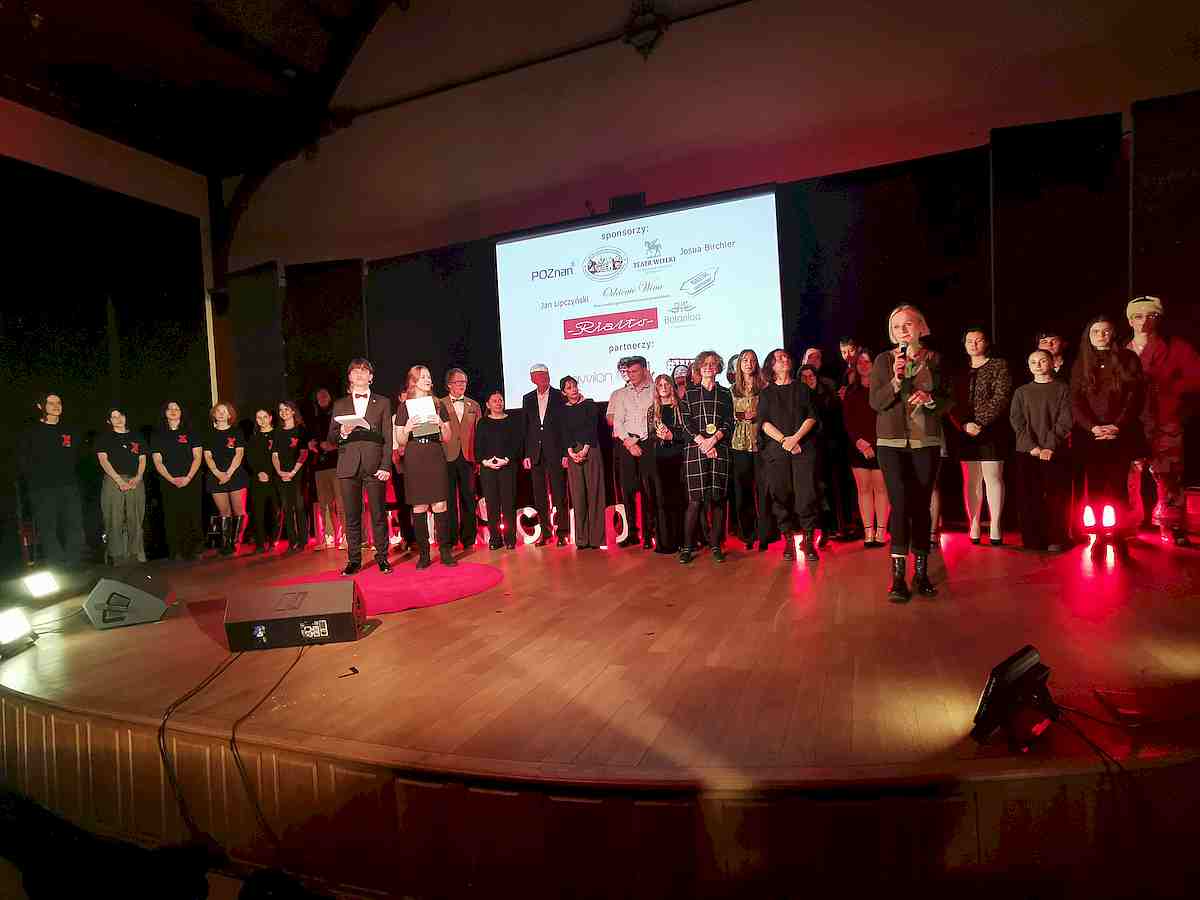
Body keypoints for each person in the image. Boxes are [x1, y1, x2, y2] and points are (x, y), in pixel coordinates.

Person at [870, 305, 951, 602]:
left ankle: (921, 573)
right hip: (891, 444)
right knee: (901, 504)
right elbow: (876, 402)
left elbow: (948, 401)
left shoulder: (936, 359)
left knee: (921, 506)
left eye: (908, 324)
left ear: (921, 326)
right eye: (897, 326)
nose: (902, 330)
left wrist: (930, 399)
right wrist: (895, 379)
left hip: (925, 441)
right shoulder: (884, 360)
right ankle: (897, 578)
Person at [1125, 296, 1200, 546]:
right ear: (1130, 320)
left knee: (1169, 476)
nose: (1144, 321)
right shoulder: (1121, 350)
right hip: (1133, 424)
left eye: (1151, 316)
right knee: (1130, 477)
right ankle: (1130, 524)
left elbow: (1196, 377)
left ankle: (1173, 525)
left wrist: (1169, 388)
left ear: (1159, 319)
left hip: (1165, 421)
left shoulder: (1176, 347)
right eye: (1138, 316)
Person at [1070, 315, 1145, 554]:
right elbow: (1076, 400)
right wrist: (1092, 427)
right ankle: (1100, 537)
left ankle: (1120, 536)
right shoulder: (1081, 361)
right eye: (1096, 331)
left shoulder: (1128, 358)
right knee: (1095, 488)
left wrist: (1117, 426)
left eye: (1106, 331)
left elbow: (1135, 397)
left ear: (1113, 334)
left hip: (1119, 435)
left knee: (1118, 488)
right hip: (1091, 437)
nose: (1101, 335)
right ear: (1088, 335)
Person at [949, 327, 1012, 545]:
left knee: (993, 477)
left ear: (986, 343)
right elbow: (951, 402)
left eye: (978, 340)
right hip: (965, 431)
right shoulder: (959, 371)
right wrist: (964, 424)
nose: (974, 344)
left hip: (992, 429)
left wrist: (981, 422)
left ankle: (995, 524)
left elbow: (1001, 397)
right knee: (971, 480)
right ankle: (974, 523)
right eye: (970, 341)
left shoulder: (999, 365)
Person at [331, 358, 393, 575]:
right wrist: (343, 432)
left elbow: (388, 437)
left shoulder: (383, 402)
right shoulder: (340, 404)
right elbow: (331, 437)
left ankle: (382, 557)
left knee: (378, 514)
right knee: (352, 516)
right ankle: (354, 560)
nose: (359, 374)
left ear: (371, 377)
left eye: (364, 371)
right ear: (349, 377)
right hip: (348, 464)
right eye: (355, 371)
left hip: (375, 464)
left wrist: (386, 465)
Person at [759, 350, 821, 562]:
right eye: (779, 358)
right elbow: (764, 423)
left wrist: (795, 439)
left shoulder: (802, 388)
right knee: (780, 493)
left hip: (802, 448)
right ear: (771, 366)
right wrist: (784, 441)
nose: (784, 360)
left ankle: (809, 541)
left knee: (806, 494)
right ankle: (788, 539)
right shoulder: (766, 393)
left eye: (786, 357)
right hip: (778, 450)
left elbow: (812, 417)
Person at [1010, 350, 1073, 551]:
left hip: (1055, 451)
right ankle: (1032, 539)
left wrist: (1049, 446)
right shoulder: (1021, 392)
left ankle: (1056, 538)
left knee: (1056, 497)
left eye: (1042, 361)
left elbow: (1065, 420)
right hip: (1028, 452)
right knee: (1029, 497)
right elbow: (1017, 421)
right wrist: (1032, 447)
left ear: (1052, 363)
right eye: (1033, 362)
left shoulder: (1063, 389)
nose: (1037, 365)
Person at [395, 365, 455, 568]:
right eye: (423, 377)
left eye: (429, 376)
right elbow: (400, 439)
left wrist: (441, 424)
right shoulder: (404, 406)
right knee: (419, 506)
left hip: (434, 453)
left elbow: (448, 437)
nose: (428, 380)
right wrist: (407, 428)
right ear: (413, 381)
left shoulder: (438, 404)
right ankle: (424, 555)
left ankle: (445, 552)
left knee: (440, 504)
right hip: (414, 456)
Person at [678, 351, 734, 563]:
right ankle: (687, 547)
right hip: (696, 450)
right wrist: (703, 442)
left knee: (718, 500)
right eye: (705, 364)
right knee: (695, 501)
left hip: (720, 450)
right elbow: (686, 422)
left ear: (718, 368)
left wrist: (714, 440)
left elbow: (729, 422)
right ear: (698, 368)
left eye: (713, 364)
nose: (709, 367)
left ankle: (716, 545)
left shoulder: (725, 393)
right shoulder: (689, 394)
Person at [17, 393, 85, 568]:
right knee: (48, 528)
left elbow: (78, 458)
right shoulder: (30, 432)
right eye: (51, 403)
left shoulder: (70, 430)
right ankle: (57, 565)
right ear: (41, 407)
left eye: (59, 402)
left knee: (74, 525)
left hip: (69, 486)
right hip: (43, 489)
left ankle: (74, 562)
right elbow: (23, 461)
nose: (56, 406)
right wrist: (34, 482)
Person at [609, 355, 657, 549]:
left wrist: (638, 439)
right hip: (626, 444)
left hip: (647, 444)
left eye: (635, 371)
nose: (631, 375)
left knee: (648, 491)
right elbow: (617, 422)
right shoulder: (621, 394)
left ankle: (648, 534)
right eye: (628, 372)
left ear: (645, 370)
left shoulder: (654, 390)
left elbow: (654, 420)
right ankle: (631, 533)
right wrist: (629, 443)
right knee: (627, 491)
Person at [843, 350, 890, 548]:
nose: (863, 365)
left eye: (867, 362)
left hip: (881, 445)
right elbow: (848, 420)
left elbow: (887, 418)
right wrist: (859, 443)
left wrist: (872, 443)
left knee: (881, 489)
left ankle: (881, 532)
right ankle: (868, 532)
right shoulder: (851, 391)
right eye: (859, 362)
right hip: (858, 447)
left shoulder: (883, 390)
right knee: (863, 489)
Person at [522, 363, 569, 546]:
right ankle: (546, 533)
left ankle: (562, 533)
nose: (544, 378)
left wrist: (565, 452)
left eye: (546, 375)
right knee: (540, 496)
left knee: (559, 494)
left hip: (556, 452)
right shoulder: (527, 398)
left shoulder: (559, 396)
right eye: (540, 375)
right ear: (532, 379)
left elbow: (564, 427)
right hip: (535, 454)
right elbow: (526, 428)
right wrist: (526, 454)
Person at [151, 401, 204, 561]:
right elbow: (157, 461)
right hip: (169, 481)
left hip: (191, 480)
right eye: (170, 409)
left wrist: (188, 477)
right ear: (165, 412)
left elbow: (197, 457)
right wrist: (171, 479)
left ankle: (194, 549)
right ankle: (175, 550)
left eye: (176, 408)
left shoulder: (192, 432)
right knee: (172, 515)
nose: (173, 411)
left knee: (193, 514)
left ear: (182, 412)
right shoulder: (158, 435)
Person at [94, 406, 147, 565]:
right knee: (114, 518)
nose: (119, 419)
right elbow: (103, 460)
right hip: (113, 480)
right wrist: (118, 480)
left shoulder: (136, 436)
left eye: (121, 415)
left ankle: (136, 553)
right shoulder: (104, 438)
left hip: (134, 480)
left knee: (135, 517)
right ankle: (116, 555)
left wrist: (138, 476)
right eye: (114, 417)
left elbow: (142, 458)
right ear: (109, 421)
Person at [560, 376, 606, 549]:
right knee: (578, 495)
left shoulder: (589, 404)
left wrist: (585, 450)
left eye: (574, 386)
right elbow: (564, 433)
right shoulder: (562, 410)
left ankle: (596, 539)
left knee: (595, 493)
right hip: (573, 452)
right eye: (569, 387)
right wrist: (571, 453)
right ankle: (581, 539)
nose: (573, 389)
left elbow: (591, 428)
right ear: (564, 392)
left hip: (590, 449)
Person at [476, 390, 523, 550]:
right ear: (488, 405)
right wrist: (486, 462)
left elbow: (517, 444)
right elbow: (478, 446)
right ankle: (495, 539)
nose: (498, 403)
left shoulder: (512, 421)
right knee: (492, 505)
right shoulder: (482, 423)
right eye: (495, 400)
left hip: (508, 468)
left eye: (500, 400)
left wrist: (507, 459)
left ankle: (510, 539)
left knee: (509, 504)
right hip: (488, 469)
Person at [729, 350, 766, 550]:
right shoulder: (731, 390)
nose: (749, 363)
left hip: (761, 442)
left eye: (752, 360)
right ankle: (748, 534)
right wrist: (740, 415)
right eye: (745, 360)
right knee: (743, 491)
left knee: (763, 489)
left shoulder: (764, 387)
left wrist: (758, 415)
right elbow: (727, 416)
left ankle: (766, 532)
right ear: (739, 364)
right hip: (739, 445)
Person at [441, 368, 482, 550]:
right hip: (446, 457)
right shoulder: (439, 404)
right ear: (449, 385)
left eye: (464, 382)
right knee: (449, 500)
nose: (462, 385)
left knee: (468, 498)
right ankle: (450, 539)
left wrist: (478, 459)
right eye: (458, 382)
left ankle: (469, 539)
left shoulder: (474, 405)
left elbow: (480, 434)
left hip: (468, 457)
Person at [648, 374, 687, 554]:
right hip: (660, 460)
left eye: (666, 384)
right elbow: (650, 435)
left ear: (672, 387)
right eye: (660, 385)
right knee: (662, 502)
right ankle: (665, 542)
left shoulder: (681, 407)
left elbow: (688, 433)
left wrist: (672, 435)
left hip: (679, 458)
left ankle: (682, 541)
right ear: (656, 389)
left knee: (680, 501)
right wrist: (660, 435)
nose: (663, 387)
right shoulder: (652, 410)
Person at [203, 401, 247, 557]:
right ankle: (226, 543)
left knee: (239, 511)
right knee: (224, 511)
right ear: (214, 415)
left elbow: (239, 454)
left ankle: (236, 542)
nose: (221, 413)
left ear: (230, 415)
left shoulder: (237, 432)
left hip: (235, 475)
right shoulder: (208, 434)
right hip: (216, 477)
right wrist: (218, 473)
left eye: (224, 411)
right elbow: (207, 456)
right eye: (218, 411)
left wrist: (228, 473)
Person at [272, 401, 309, 553]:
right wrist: (280, 472)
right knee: (287, 508)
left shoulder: (301, 430)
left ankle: (303, 540)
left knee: (299, 506)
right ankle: (292, 541)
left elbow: (304, 453)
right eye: (281, 410)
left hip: (297, 472)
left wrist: (293, 472)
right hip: (281, 474)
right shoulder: (277, 431)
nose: (283, 412)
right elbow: (274, 455)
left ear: (293, 411)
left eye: (286, 409)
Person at [308, 388, 342, 551]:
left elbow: (347, 438)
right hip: (320, 466)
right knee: (324, 504)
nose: (321, 398)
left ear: (330, 397)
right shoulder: (314, 419)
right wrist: (311, 444)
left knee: (341, 503)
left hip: (337, 464)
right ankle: (329, 537)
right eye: (319, 397)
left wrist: (333, 446)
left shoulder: (338, 416)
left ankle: (345, 536)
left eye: (324, 396)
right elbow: (310, 439)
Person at [246, 408, 281, 553]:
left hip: (274, 478)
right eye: (259, 417)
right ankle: (260, 543)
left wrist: (270, 473)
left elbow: (281, 457)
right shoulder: (253, 438)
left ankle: (273, 540)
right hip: (257, 479)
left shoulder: (278, 435)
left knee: (274, 511)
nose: (262, 420)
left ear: (270, 418)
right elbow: (249, 458)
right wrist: (259, 472)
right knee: (258, 512)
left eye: (264, 417)